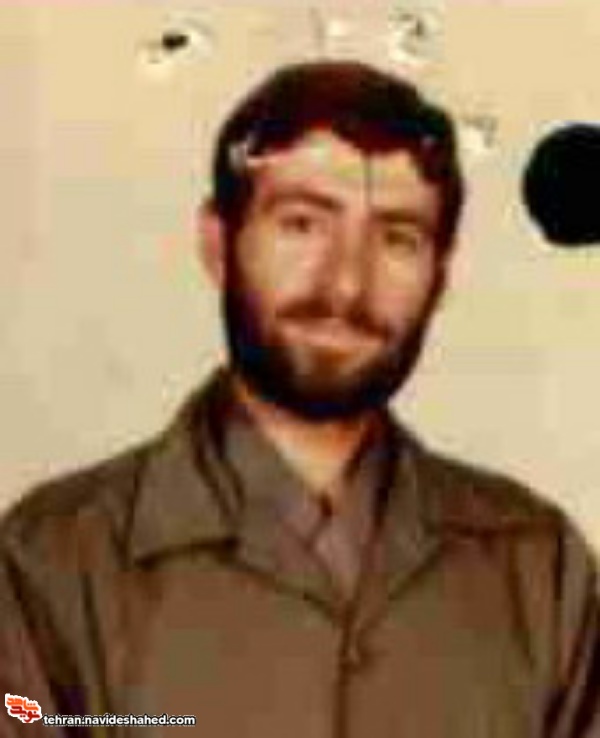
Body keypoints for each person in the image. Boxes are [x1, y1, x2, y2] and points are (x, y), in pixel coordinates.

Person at [0, 60, 598, 738]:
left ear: (441, 274)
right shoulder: (49, 565)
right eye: (302, 224)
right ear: (218, 243)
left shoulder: (539, 568)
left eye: (397, 238)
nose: (346, 284)